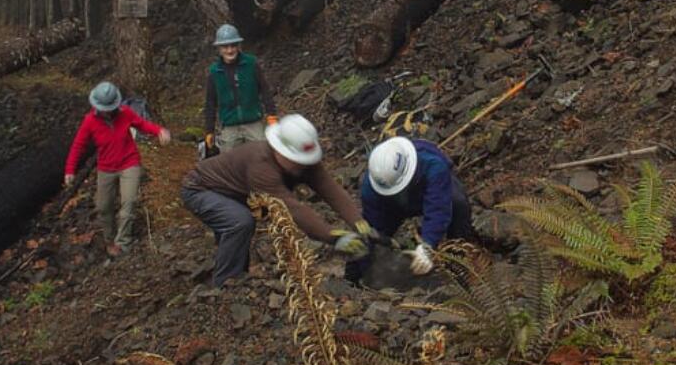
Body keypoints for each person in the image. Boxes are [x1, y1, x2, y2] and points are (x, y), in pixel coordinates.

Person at [181, 113, 371, 287]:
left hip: (234, 193)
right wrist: (333, 237)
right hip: (200, 190)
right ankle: (225, 286)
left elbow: (330, 189)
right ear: (278, 149)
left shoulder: (305, 162)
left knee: (241, 221)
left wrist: (360, 223)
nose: (300, 164)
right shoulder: (261, 166)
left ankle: (235, 271)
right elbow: (292, 208)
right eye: (295, 159)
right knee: (240, 222)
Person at [348, 136, 475, 284]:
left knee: (458, 205)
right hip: (392, 206)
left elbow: (438, 210)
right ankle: (352, 280)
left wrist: (427, 246)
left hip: (427, 192)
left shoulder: (434, 166)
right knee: (368, 238)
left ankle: (459, 267)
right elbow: (371, 227)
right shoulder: (370, 189)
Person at [65, 81, 171, 255]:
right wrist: (70, 170)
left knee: (128, 203)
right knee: (104, 207)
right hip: (106, 168)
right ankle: (109, 240)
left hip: (129, 163)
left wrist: (159, 131)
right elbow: (78, 145)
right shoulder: (89, 121)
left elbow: (142, 124)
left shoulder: (125, 113)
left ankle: (123, 243)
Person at [203, 24, 278, 156]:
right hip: (229, 127)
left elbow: (265, 90)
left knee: (262, 159)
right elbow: (210, 103)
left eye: (233, 45)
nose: (230, 50)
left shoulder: (251, 64)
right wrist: (209, 130)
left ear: (238, 46)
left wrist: (271, 115)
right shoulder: (215, 72)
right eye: (225, 47)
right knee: (229, 165)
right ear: (219, 49)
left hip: (254, 123)